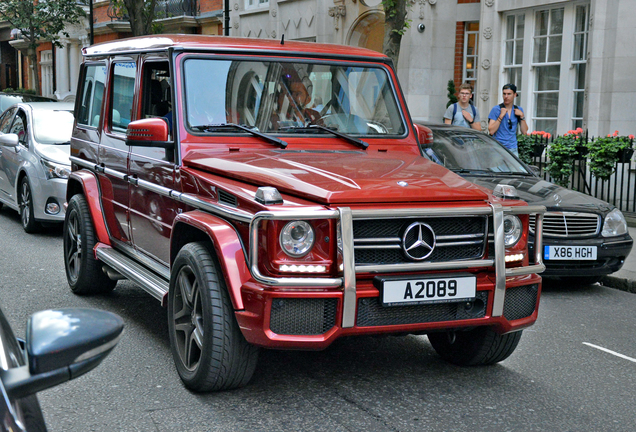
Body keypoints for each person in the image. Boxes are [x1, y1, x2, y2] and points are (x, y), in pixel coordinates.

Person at [488, 83, 528, 155]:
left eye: (509, 94)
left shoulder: (518, 109)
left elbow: (524, 132)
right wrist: (501, 116)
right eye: (504, 94)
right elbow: (491, 131)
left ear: (515, 95)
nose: (506, 96)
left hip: (513, 148)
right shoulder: (496, 109)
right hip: (498, 147)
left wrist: (522, 116)